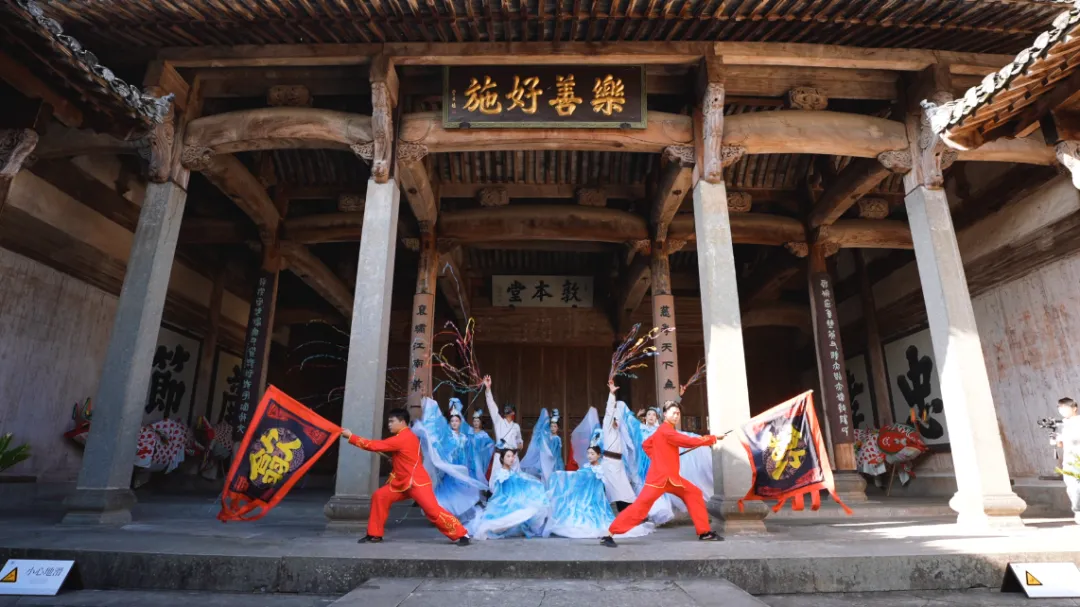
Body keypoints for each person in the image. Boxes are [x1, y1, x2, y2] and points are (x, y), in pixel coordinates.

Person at [601, 400, 724, 547]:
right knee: (640, 508)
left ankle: (704, 532)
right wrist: (713, 438)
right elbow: (688, 441)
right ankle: (610, 534)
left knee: (694, 493)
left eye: (678, 413)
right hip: (658, 481)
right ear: (665, 414)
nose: (676, 416)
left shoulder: (663, 430)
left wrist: (659, 457)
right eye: (673, 413)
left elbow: (646, 444)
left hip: (672, 479)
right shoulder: (666, 431)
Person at [340, 407, 471, 546]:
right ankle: (374, 534)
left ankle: (462, 534)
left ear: (402, 422)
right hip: (402, 483)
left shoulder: (402, 438)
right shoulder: (407, 437)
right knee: (380, 496)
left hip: (417, 483)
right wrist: (397, 460)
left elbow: (374, 445)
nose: (389, 424)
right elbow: (417, 457)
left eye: (392, 421)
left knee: (432, 511)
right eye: (389, 421)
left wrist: (351, 436)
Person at [543, 431, 652, 539]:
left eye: (592, 454)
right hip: (586, 499)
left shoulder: (600, 469)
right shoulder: (586, 467)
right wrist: (561, 475)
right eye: (588, 453)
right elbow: (577, 477)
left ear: (598, 455)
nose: (589, 456)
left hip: (597, 501)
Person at [413, 397, 486, 517]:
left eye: (456, 421)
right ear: (450, 423)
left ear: (460, 422)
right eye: (452, 421)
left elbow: (468, 454)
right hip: (449, 468)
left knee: (461, 492)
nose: (454, 423)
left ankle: (454, 515)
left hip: (461, 467)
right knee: (446, 492)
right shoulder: (447, 436)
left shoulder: (464, 437)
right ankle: (441, 514)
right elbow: (441, 446)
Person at [467, 440, 549, 540]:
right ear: (502, 458)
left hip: (513, 500)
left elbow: (521, 483)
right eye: (508, 456)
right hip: (504, 502)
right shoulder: (501, 473)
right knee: (497, 524)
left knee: (532, 509)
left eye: (512, 456)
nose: (511, 459)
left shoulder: (512, 472)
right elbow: (497, 491)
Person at [602, 380, 637, 509]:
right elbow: (609, 412)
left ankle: (626, 516)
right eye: (614, 419)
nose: (615, 421)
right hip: (609, 463)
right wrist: (612, 395)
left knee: (626, 494)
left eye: (618, 419)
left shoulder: (621, 432)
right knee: (619, 493)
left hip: (619, 464)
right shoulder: (607, 427)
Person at [482, 376, 522, 471]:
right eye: (506, 408)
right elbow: (491, 405)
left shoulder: (516, 426)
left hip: (513, 458)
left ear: (513, 413)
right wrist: (488, 388)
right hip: (500, 457)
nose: (507, 410)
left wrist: (518, 446)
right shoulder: (498, 421)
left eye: (509, 409)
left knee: (515, 480)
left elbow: (520, 442)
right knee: (499, 479)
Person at [521, 408, 565, 483]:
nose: (553, 428)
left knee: (552, 479)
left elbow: (553, 452)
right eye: (551, 426)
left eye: (555, 426)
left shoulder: (556, 438)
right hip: (548, 460)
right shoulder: (548, 437)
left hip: (554, 461)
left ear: (558, 428)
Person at [1055, 397, 1080, 524]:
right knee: (1072, 488)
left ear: (1074, 408)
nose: (1062, 410)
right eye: (1060, 408)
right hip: (1069, 461)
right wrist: (1056, 440)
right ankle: (1078, 511)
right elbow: (1061, 444)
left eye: (1065, 408)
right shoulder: (1062, 424)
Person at [469, 407, 495, 485]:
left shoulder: (483, 434)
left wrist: (483, 450)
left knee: (478, 474)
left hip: (479, 458)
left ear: (480, 422)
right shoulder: (469, 432)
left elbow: (491, 444)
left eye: (478, 421)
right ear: (472, 422)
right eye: (474, 421)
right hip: (469, 456)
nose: (476, 423)